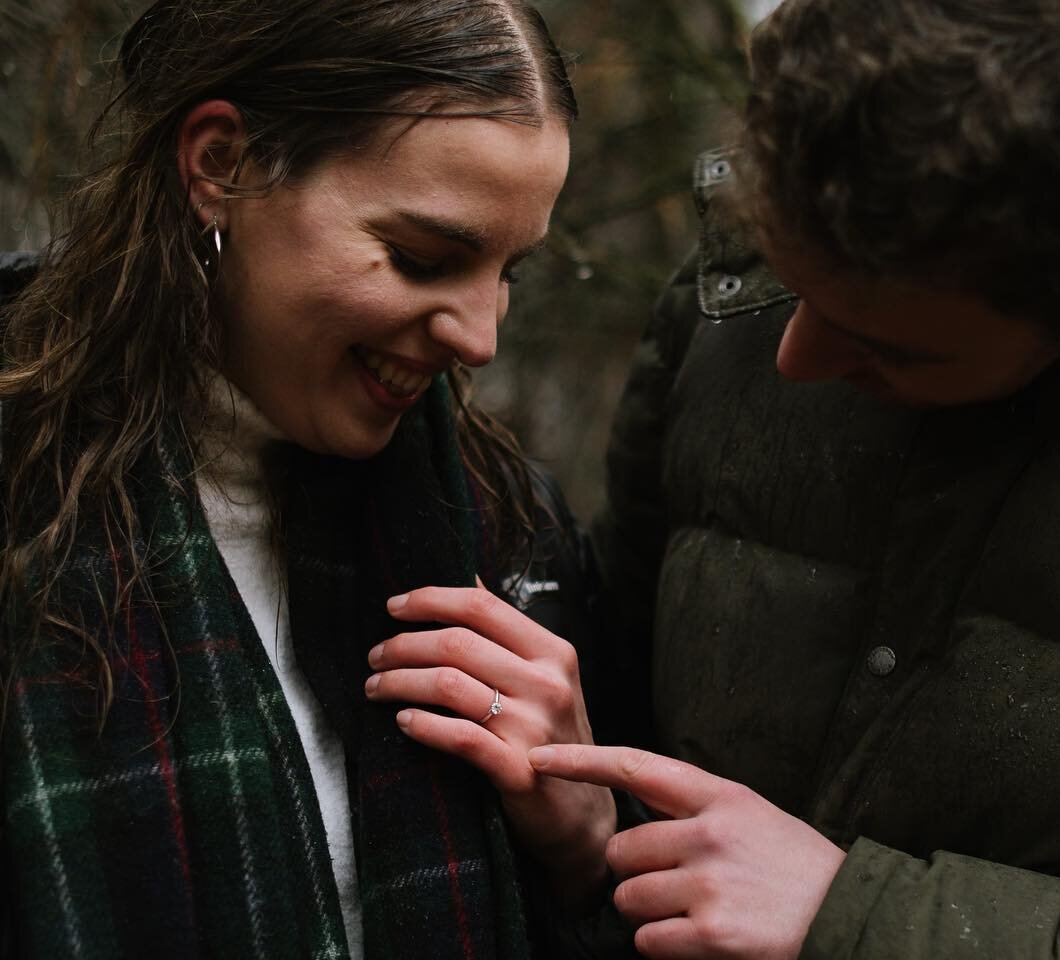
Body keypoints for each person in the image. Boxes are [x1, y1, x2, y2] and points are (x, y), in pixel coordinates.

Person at [373, 0, 1060, 956]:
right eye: (792, 287)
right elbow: (644, 689)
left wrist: (865, 920)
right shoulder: (772, 260)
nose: (792, 360)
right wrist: (584, 814)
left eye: (891, 350)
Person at [0, 1, 616, 956]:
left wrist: (585, 851)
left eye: (509, 272)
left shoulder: (500, 527)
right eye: (424, 259)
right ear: (223, 165)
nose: (480, 338)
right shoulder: (23, 486)